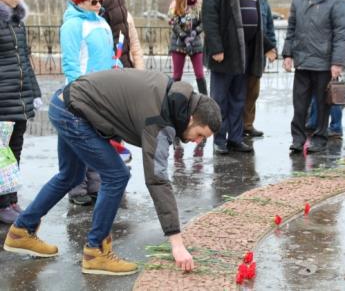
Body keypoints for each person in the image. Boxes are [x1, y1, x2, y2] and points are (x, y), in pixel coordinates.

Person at [3, 69, 222, 275]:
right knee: (116, 175)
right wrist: (177, 244)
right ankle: (95, 252)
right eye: (200, 134)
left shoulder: (171, 93)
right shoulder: (162, 117)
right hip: (75, 113)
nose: (197, 141)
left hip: (65, 103)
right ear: (192, 118)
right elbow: (157, 180)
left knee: (71, 176)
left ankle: (21, 231)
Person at [61, 0, 122, 206]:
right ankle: (77, 188)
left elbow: (109, 55)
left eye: (99, 1)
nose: (98, 6)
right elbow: (70, 63)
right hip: (83, 92)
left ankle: (95, 184)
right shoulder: (72, 25)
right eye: (93, 2)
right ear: (79, 1)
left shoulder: (102, 23)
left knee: (97, 139)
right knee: (80, 140)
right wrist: (78, 91)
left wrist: (117, 67)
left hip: (101, 91)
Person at [202, 0, 276, 154]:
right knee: (220, 100)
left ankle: (235, 138)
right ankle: (219, 140)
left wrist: (268, 46)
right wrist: (216, 47)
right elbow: (209, 17)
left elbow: (256, 26)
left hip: (245, 54)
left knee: (238, 99)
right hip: (224, 53)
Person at [282, 0, 345, 153]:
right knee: (299, 105)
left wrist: (337, 62)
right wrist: (287, 54)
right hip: (302, 62)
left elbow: (341, 34)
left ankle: (320, 138)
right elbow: (291, 28)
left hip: (324, 64)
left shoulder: (336, 0)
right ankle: (298, 139)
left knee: (322, 105)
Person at [0, 0, 42, 223]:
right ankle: (1, 203)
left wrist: (34, 92)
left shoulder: (16, 22)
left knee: (14, 151)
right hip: (2, 100)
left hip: (19, 99)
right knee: (1, 155)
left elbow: (25, 61)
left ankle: (11, 199)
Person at [243, 0, 276, 138]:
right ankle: (235, 126)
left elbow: (269, 28)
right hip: (241, 54)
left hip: (258, 55)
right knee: (238, 93)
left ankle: (247, 125)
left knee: (253, 92)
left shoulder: (263, 2)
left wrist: (272, 48)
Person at [168, 0, 207, 95]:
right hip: (178, 43)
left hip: (195, 42)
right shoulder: (175, 3)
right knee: (177, 75)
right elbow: (173, 22)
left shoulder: (199, 4)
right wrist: (183, 36)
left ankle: (205, 101)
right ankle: (172, 101)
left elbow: (204, 22)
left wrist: (195, 32)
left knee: (200, 74)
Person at [102, 0, 145, 70]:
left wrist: (140, 70)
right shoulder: (97, 0)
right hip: (112, 70)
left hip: (126, 67)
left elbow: (134, 44)